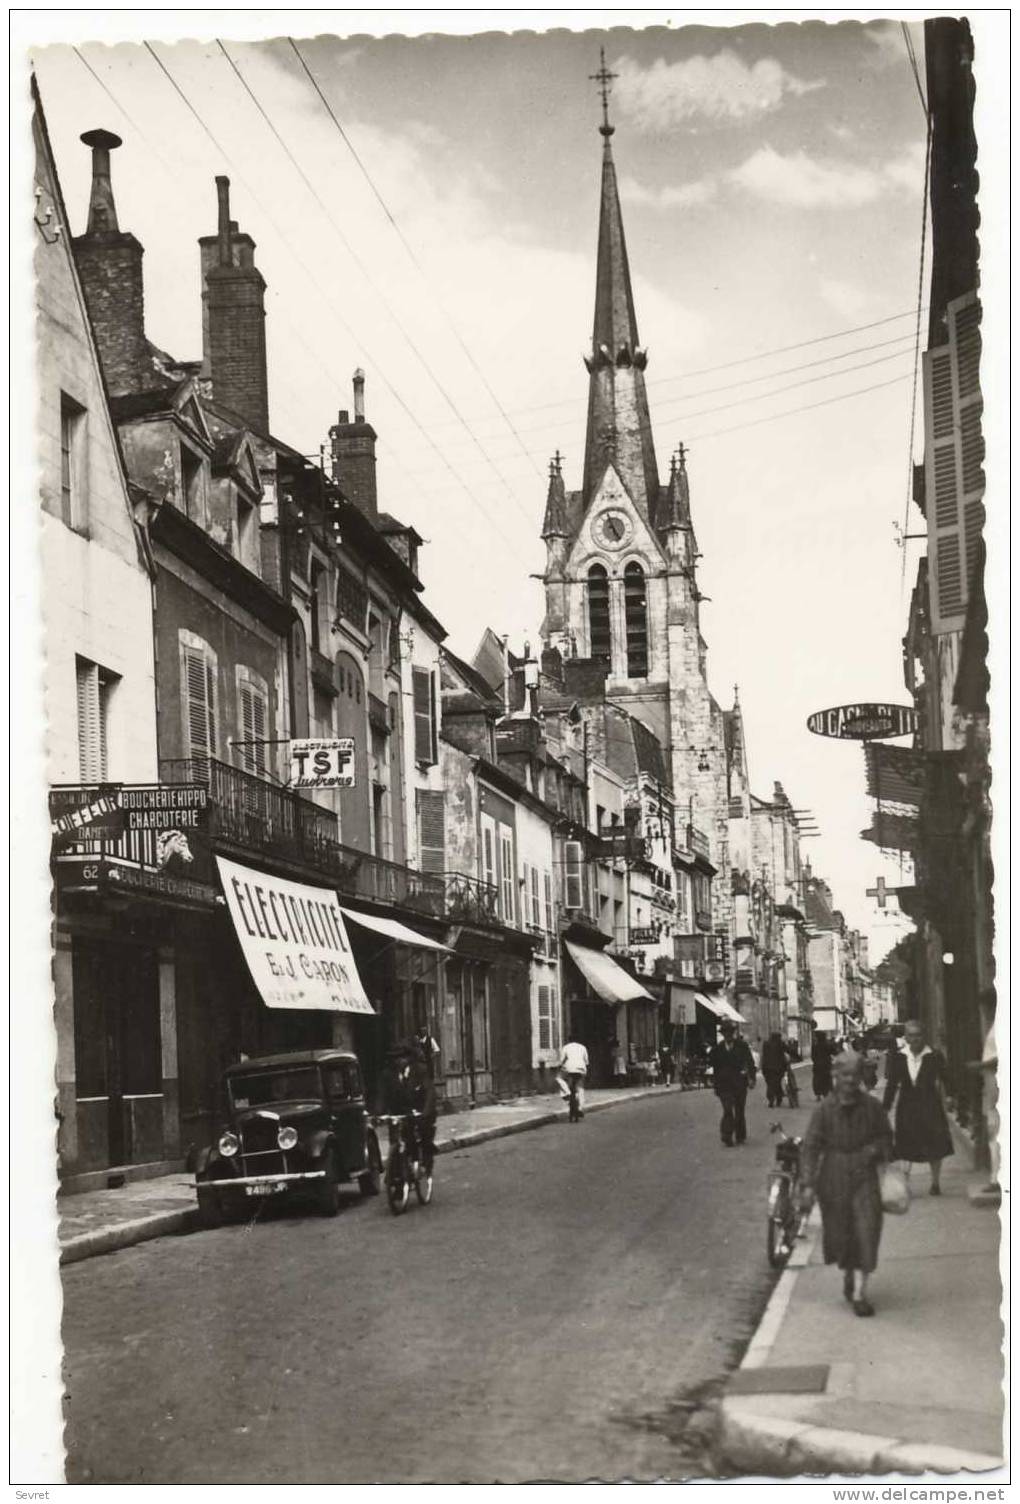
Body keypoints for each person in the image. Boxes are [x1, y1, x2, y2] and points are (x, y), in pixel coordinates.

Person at [800, 1052, 892, 1317]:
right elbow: (811, 1146)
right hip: (834, 1177)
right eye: (845, 1075)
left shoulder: (872, 1108)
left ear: (861, 1077)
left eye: (855, 1075)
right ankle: (849, 1273)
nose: (850, 1080)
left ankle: (861, 1292)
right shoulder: (824, 1110)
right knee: (842, 1233)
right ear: (836, 1077)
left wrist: (875, 1149)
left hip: (865, 1176)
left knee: (868, 1229)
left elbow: (886, 1137)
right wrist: (807, 1182)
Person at [883, 1018, 954, 1195]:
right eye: (911, 1035)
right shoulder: (899, 1057)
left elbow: (946, 1077)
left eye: (918, 1035)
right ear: (906, 1037)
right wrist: (885, 1107)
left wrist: (951, 1096)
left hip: (930, 1103)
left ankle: (935, 1183)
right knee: (905, 1144)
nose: (915, 1039)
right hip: (907, 1105)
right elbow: (892, 1084)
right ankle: (905, 1185)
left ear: (924, 1036)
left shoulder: (934, 1055)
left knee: (934, 1143)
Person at [378, 1042, 437, 1170]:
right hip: (398, 1112)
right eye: (395, 1058)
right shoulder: (387, 1075)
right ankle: (395, 1172)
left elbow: (429, 1093)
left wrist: (425, 1112)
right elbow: (382, 1095)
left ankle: (421, 1160)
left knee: (419, 1133)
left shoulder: (420, 1071)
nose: (399, 1061)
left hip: (418, 1110)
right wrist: (379, 1113)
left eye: (402, 1057)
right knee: (395, 1140)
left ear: (409, 1058)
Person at [708, 1021, 757, 1147]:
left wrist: (752, 1078)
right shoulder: (717, 1049)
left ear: (733, 1033)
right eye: (725, 1033)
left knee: (740, 1110)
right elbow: (714, 1066)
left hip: (739, 1083)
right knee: (728, 1109)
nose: (728, 1035)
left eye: (730, 1033)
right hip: (724, 1084)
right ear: (723, 1034)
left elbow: (750, 1063)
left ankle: (740, 1135)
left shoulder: (742, 1046)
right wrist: (714, 1083)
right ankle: (727, 1135)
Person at [558, 1037, 589, 1116]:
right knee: (580, 1088)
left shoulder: (566, 1047)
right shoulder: (582, 1047)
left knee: (559, 1078)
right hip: (581, 1069)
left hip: (569, 1069)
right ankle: (580, 1108)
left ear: (569, 1040)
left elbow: (561, 1061)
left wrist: (561, 1066)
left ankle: (567, 1092)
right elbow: (586, 1061)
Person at [761, 1032, 789, 1109]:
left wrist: (763, 1067)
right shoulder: (780, 1044)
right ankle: (777, 1098)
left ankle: (771, 1098)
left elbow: (764, 1056)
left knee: (770, 1083)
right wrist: (798, 1057)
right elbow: (789, 1050)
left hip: (767, 1068)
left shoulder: (765, 1044)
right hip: (778, 1069)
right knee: (776, 1083)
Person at [811, 1027, 834, 1101]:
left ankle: (818, 1095)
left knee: (817, 1080)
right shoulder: (828, 1045)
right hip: (827, 1065)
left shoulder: (815, 1046)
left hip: (817, 1066)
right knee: (826, 1079)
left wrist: (816, 1061)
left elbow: (813, 1056)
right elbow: (834, 1052)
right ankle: (825, 1093)